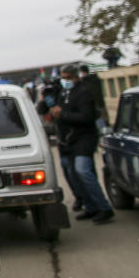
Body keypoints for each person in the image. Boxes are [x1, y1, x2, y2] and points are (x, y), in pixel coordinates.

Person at [47, 65, 114, 224]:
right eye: (63, 77)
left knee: (83, 170)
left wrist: (62, 113)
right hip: (68, 140)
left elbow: (86, 116)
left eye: (68, 77)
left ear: (76, 77)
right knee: (73, 174)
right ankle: (90, 206)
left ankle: (104, 207)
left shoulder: (84, 93)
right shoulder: (63, 93)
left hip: (84, 139)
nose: (65, 80)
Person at [79, 64, 109, 130]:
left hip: (95, 106)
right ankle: (104, 132)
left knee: (99, 121)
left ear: (82, 72)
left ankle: (103, 132)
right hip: (100, 104)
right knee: (102, 121)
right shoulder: (95, 79)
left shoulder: (86, 82)